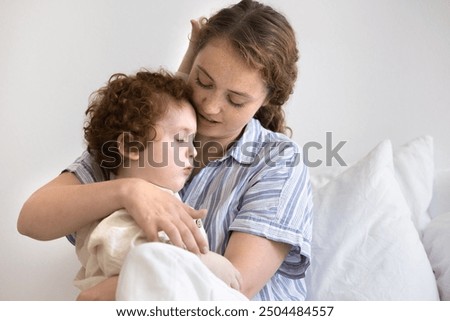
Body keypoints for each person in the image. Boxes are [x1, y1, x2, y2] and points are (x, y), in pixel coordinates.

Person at [18, 0, 313, 301]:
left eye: (236, 100)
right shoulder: (144, 134)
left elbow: (232, 288)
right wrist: (129, 191)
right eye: (203, 81)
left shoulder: (277, 162)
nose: (210, 106)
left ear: (267, 99)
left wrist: (98, 296)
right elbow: (32, 218)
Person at [72, 69, 244, 297]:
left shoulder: (163, 199)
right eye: (181, 139)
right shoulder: (120, 213)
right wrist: (205, 261)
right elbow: (135, 259)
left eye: (192, 140)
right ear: (131, 146)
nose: (193, 151)